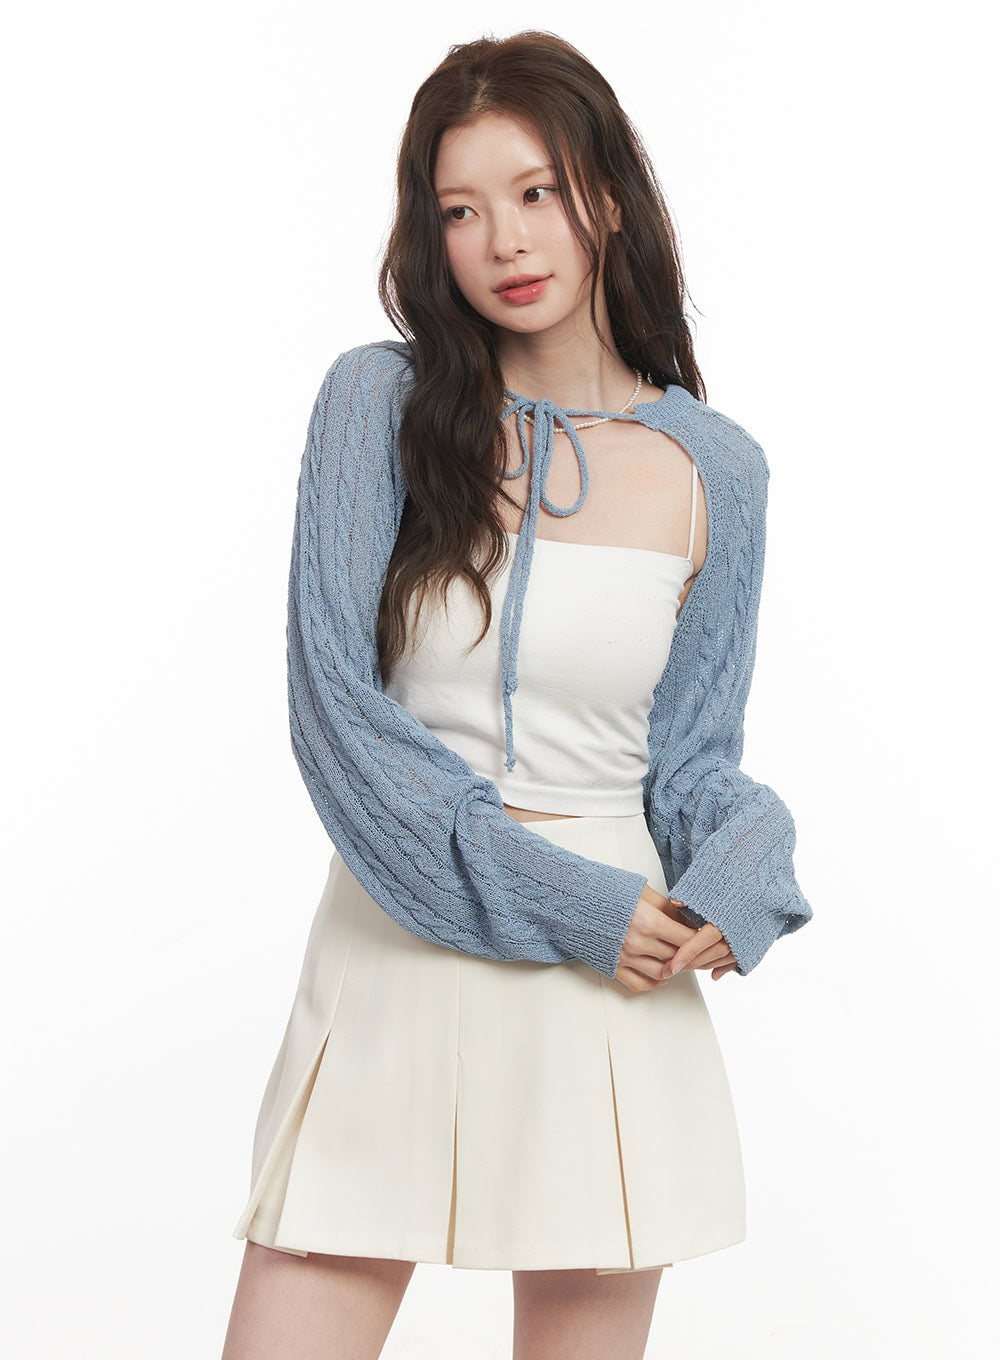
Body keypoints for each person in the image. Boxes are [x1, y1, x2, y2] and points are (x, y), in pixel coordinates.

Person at [221, 29, 812, 1360]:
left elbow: (691, 758)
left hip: (610, 988)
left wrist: (742, 864)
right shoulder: (378, 405)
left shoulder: (717, 468)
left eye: (536, 191)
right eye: (461, 209)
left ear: (609, 194)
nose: (505, 240)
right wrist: (569, 903)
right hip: (399, 949)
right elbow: (336, 713)